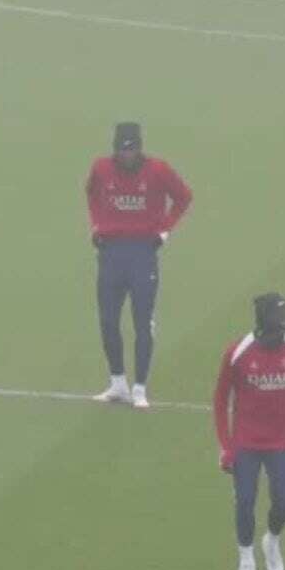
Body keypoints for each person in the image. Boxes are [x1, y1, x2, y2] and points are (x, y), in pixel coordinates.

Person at [87, 122, 193, 409]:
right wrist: (97, 225)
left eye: (132, 150)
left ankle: (140, 388)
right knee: (108, 320)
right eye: (123, 150)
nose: (127, 156)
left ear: (140, 148)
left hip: (143, 252)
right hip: (110, 253)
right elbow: (92, 194)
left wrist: (165, 230)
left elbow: (184, 197)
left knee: (142, 322)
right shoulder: (101, 169)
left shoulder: (158, 171)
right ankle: (117, 383)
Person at [212, 293, 285, 570]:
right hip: (246, 444)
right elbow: (220, 401)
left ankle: (272, 540)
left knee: (282, 502)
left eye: (283, 330)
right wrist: (226, 446)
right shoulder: (238, 353)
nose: (279, 336)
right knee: (245, 501)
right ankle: (246, 558)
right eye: (274, 331)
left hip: (281, 444)